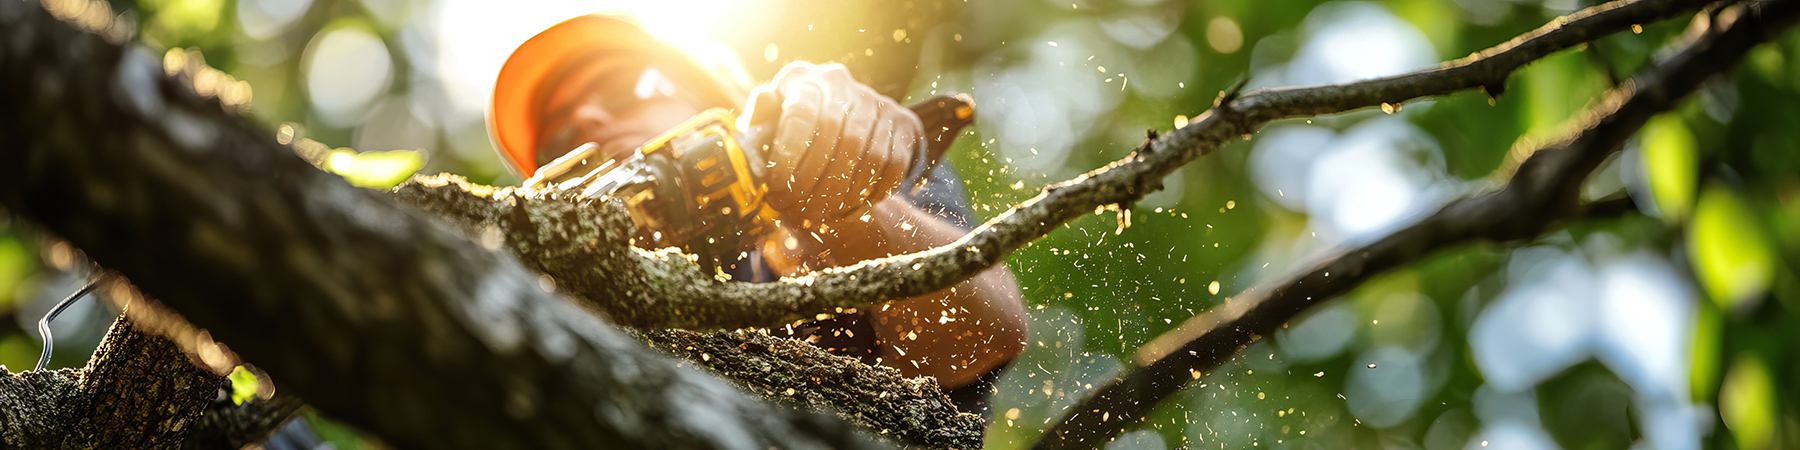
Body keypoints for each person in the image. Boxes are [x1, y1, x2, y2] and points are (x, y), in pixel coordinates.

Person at [486, 13, 1027, 415]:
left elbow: (982, 337)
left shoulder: (865, 166)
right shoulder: (546, 311)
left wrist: (822, 195)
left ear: (717, 99)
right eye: (556, 140)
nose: (585, 115)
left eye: (628, 88)